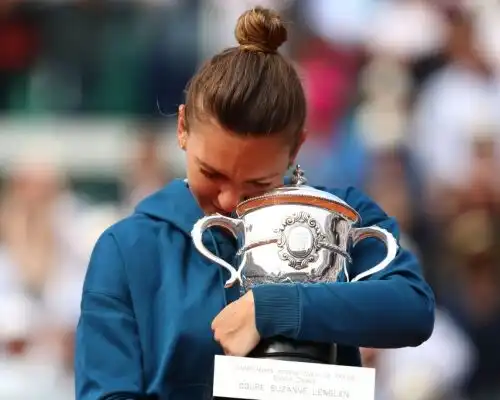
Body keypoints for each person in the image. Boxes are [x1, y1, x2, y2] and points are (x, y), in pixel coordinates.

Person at [75, 6, 435, 400]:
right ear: (182, 128)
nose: (228, 200)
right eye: (210, 173)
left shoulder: (340, 216)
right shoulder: (127, 248)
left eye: (257, 184)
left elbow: (413, 308)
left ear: (296, 147)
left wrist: (275, 308)